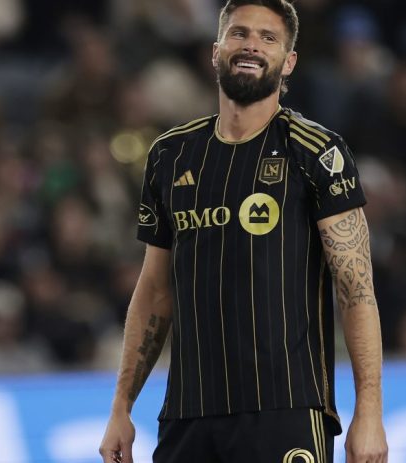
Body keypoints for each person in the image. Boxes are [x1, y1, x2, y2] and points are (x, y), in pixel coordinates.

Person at [99, 1, 388, 462]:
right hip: (187, 415)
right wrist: (121, 407)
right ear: (216, 52)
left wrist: (369, 412)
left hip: (286, 409)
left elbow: (356, 290)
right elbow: (154, 290)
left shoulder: (317, 151)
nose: (251, 45)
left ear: (288, 62)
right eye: (239, 33)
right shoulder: (170, 155)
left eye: (268, 38)